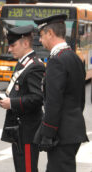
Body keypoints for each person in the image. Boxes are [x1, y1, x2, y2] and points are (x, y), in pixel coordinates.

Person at [33, 14, 89, 172]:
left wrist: (48, 133)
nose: (40, 40)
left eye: (41, 35)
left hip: (61, 135)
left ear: (50, 33)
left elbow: (53, 101)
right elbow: (80, 99)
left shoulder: (56, 60)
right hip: (72, 130)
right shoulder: (74, 57)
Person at [0, 25, 45, 172]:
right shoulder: (22, 63)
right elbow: (19, 90)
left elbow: (37, 98)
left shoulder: (35, 66)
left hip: (28, 130)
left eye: (13, 45)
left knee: (27, 168)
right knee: (21, 167)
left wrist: (12, 103)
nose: (9, 49)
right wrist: (3, 96)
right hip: (19, 129)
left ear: (26, 43)